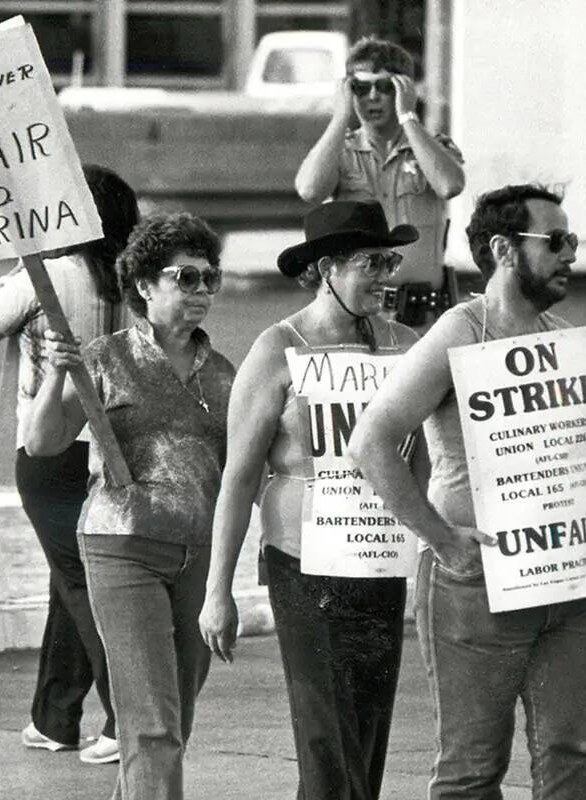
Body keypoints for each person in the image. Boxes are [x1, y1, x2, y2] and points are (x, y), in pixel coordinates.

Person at [350, 184, 586, 798]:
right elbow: (370, 441)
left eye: (572, 240)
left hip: (566, 574)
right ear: (504, 249)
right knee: (473, 769)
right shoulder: (458, 334)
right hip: (477, 583)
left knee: (572, 754)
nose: (571, 254)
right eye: (555, 242)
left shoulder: (560, 333)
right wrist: (441, 540)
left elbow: (583, 434)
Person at [199, 200, 424, 799]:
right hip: (304, 569)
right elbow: (239, 479)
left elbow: (425, 461)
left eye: (390, 260)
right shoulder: (277, 350)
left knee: (366, 737)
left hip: (379, 560)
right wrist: (218, 591)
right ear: (328, 267)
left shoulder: (405, 346)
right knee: (328, 741)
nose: (387, 275)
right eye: (373, 262)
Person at [27, 212, 235, 800]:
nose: (201, 291)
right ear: (145, 285)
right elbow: (43, 443)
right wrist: (54, 376)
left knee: (173, 723)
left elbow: (245, 472)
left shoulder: (223, 375)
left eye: (209, 278)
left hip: (197, 554)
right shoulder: (102, 357)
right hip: (121, 549)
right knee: (151, 724)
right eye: (185, 277)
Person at [0, 164, 139, 765]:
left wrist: (22, 263)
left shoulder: (50, 273)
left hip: (52, 443)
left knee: (80, 580)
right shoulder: (136, 277)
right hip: (120, 445)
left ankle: (126, 716)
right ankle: (55, 715)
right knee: (72, 579)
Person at [295, 36, 465, 327]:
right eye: (361, 88)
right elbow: (310, 190)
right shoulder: (341, 149)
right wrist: (340, 117)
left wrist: (408, 115)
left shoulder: (432, 147)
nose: (372, 96)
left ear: (405, 89)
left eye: (385, 87)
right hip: (357, 310)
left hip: (421, 314)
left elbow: (449, 185)